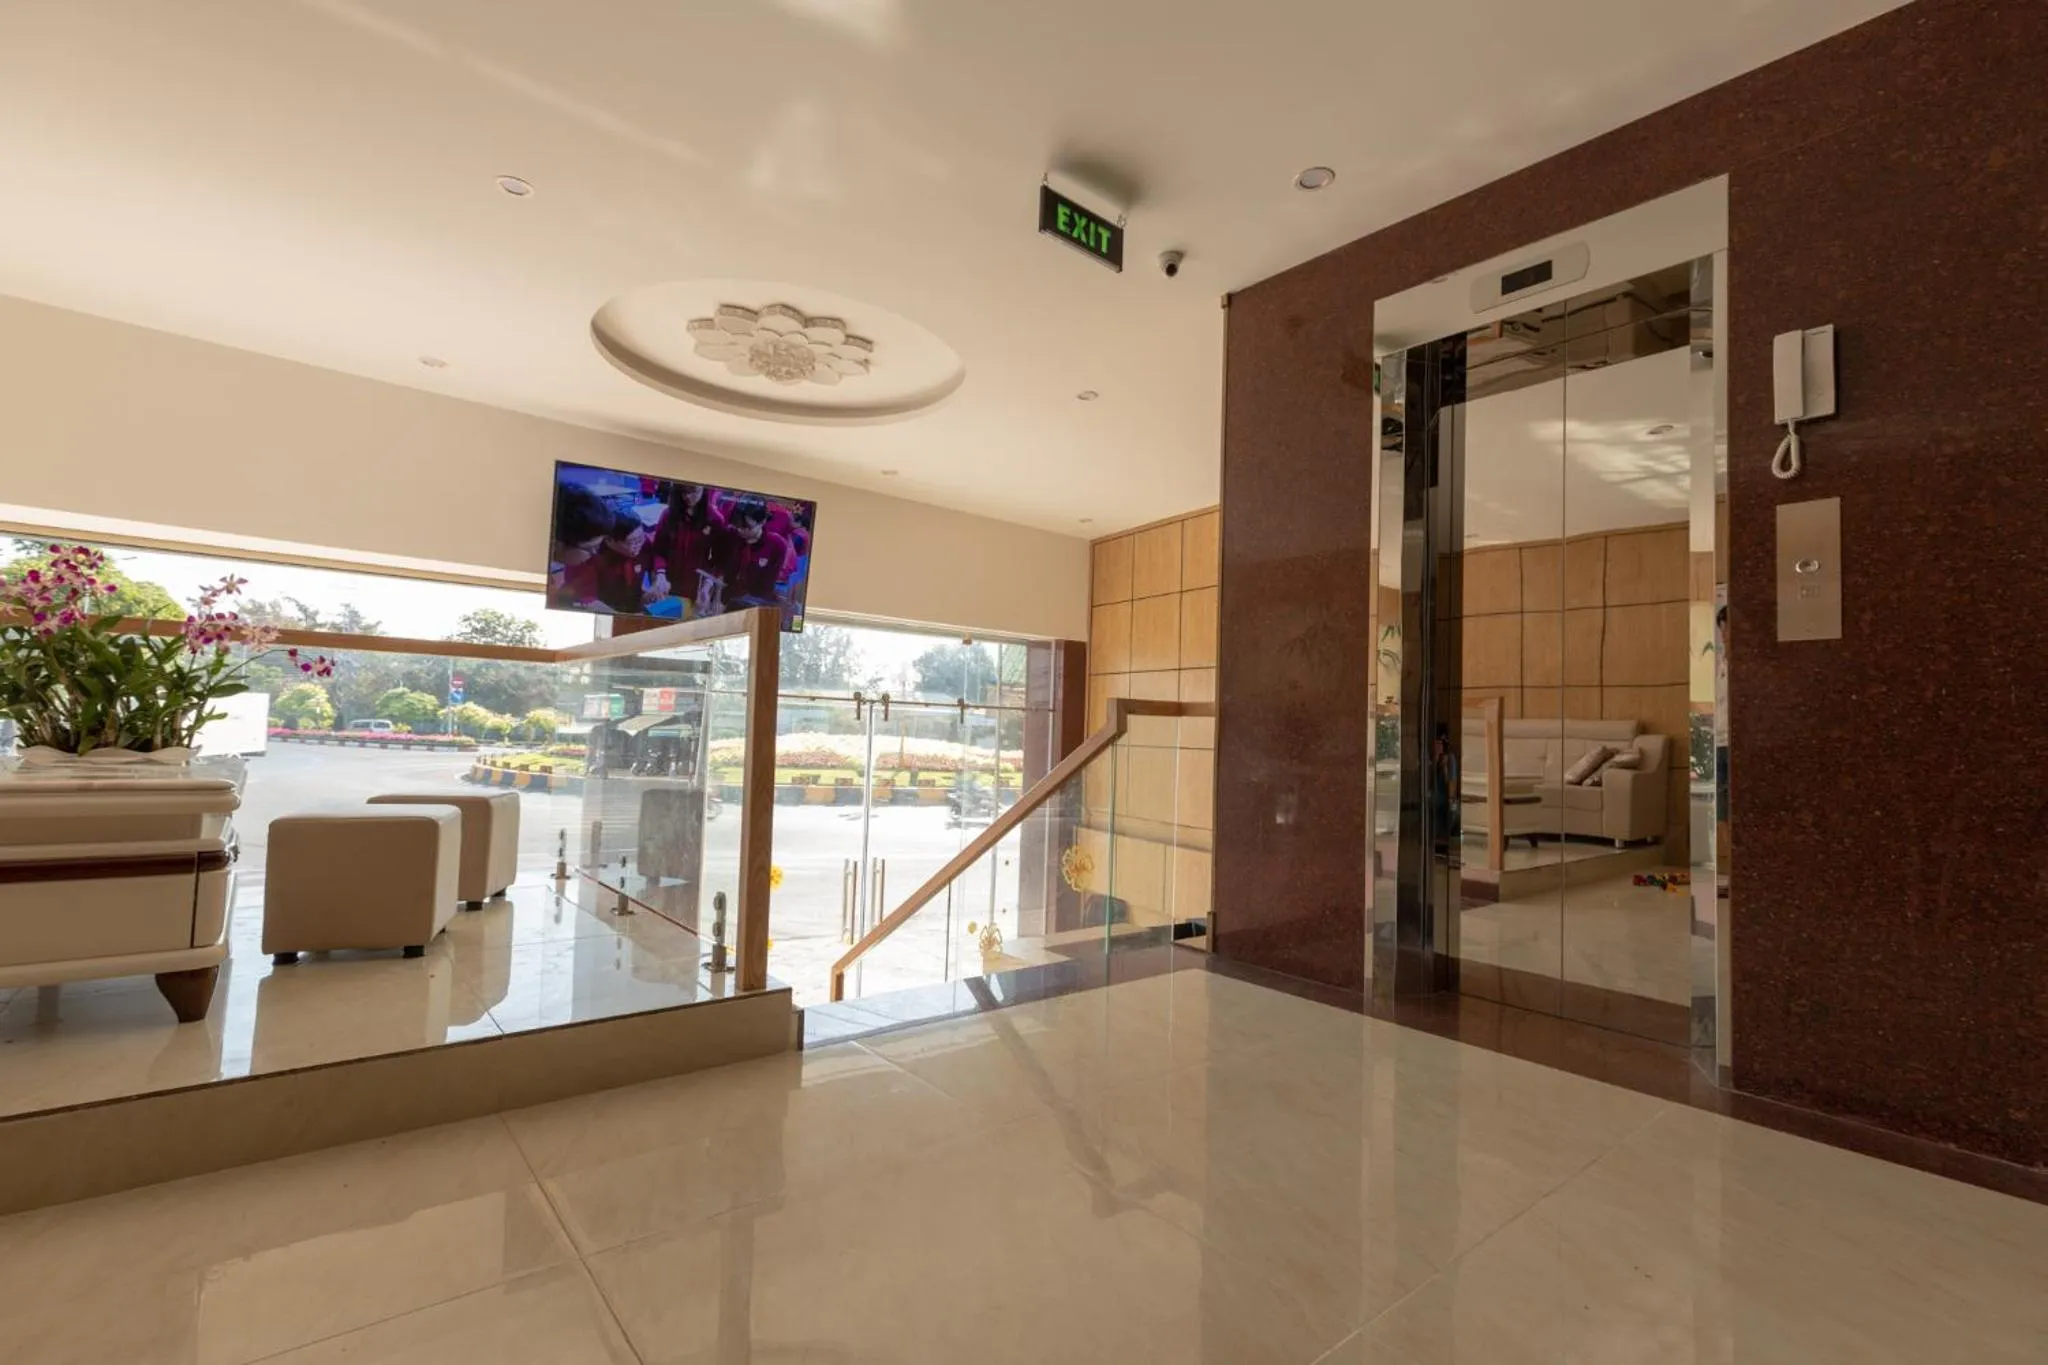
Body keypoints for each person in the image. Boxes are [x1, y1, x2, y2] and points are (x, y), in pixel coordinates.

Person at [697, 495, 794, 617]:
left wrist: (732, 606)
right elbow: (716, 564)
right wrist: (707, 586)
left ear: (763, 521)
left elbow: (764, 589)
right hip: (722, 601)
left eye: (747, 527)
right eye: (738, 526)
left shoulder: (777, 545)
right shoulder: (730, 535)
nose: (741, 530)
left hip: (751, 607)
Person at [650, 482, 721, 601]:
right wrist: (660, 574)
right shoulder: (668, 515)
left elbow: (718, 559)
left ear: (704, 489)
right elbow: (658, 550)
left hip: (698, 585)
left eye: (693, 491)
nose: (688, 496)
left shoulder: (715, 519)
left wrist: (708, 585)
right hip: (669, 583)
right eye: (684, 492)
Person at [590, 511, 665, 615]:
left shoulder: (644, 544)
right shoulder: (593, 555)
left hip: (635, 602)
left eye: (640, 538)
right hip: (606, 610)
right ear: (609, 540)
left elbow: (655, 563)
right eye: (632, 542)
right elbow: (587, 599)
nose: (638, 545)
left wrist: (656, 583)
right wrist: (623, 617)